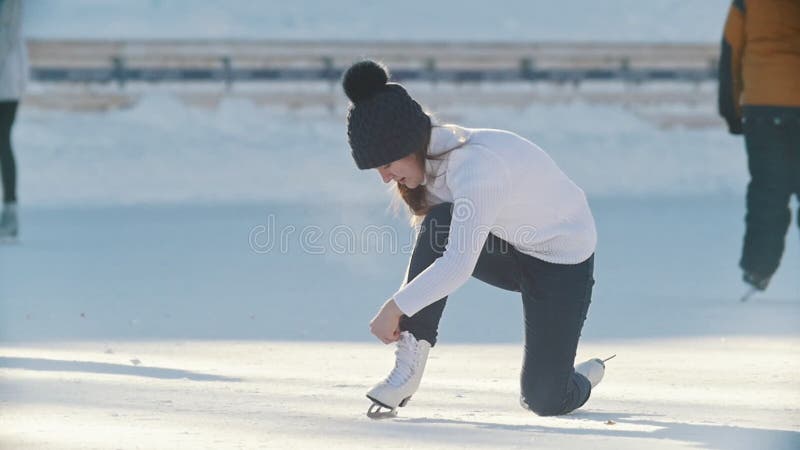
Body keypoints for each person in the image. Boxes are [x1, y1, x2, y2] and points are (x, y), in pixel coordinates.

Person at [342, 60, 606, 418]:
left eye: (386, 165)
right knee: (440, 222)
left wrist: (394, 307)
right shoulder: (431, 170)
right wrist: (407, 315)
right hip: (509, 247)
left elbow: (458, 265)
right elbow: (439, 251)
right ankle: (407, 369)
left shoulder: (477, 167)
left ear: (408, 144)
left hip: (560, 266)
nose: (385, 178)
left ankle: (582, 376)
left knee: (544, 399)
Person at [718, 0, 800, 293]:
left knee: (767, 189)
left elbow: (731, 49)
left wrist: (730, 109)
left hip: (763, 108)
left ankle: (757, 271)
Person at [0, 0, 27, 241]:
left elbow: (7, 34)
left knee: (2, 141)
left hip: (7, 85)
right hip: (8, 82)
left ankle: (10, 212)